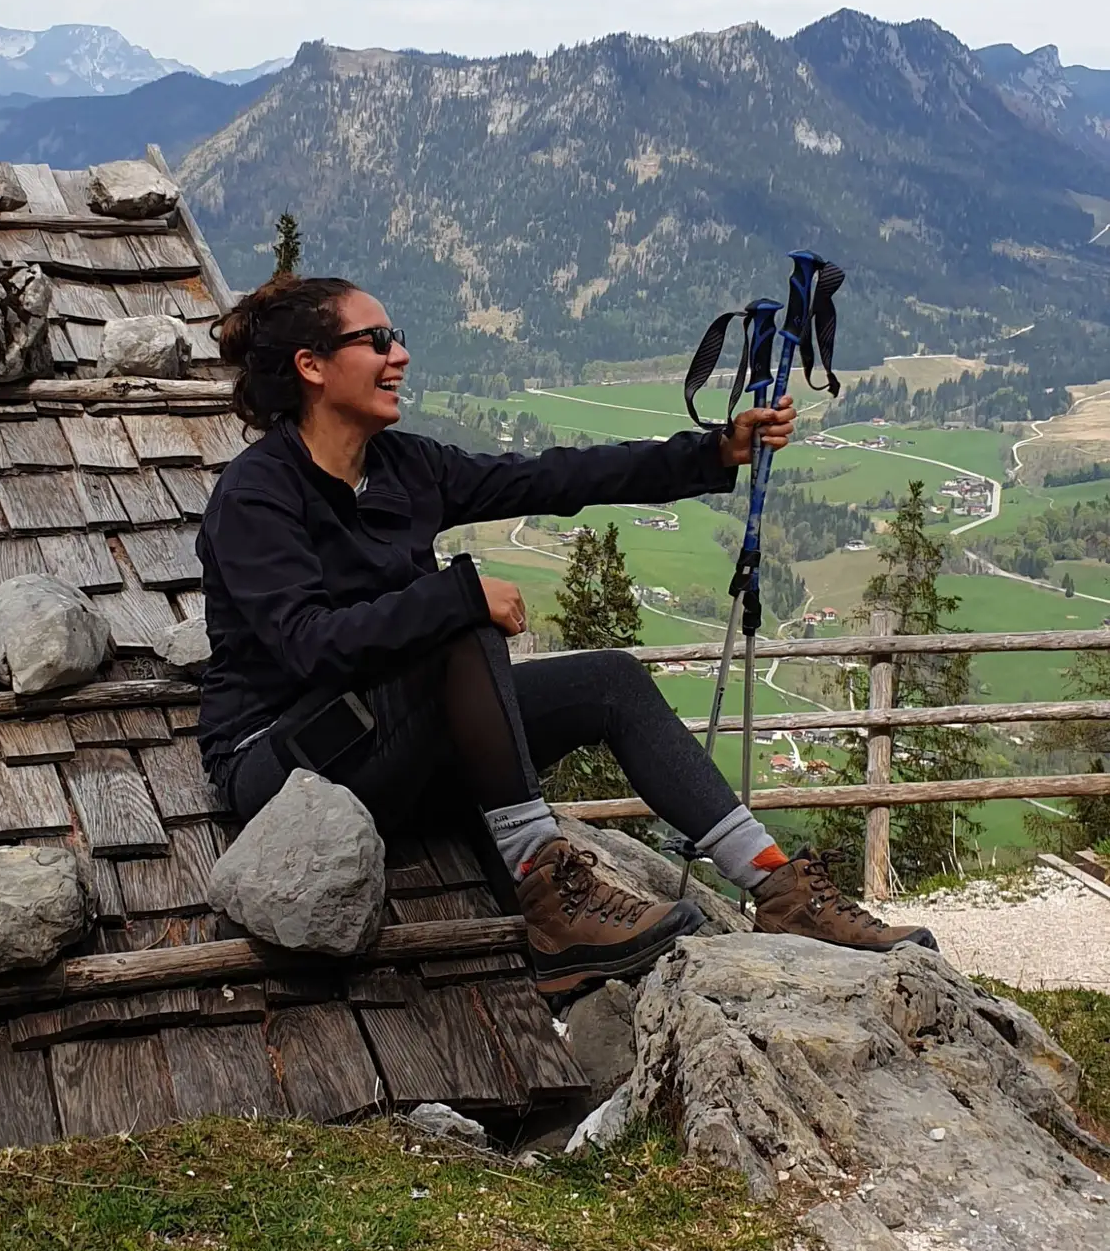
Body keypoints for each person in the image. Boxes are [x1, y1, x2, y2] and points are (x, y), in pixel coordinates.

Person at [197, 273, 935, 996]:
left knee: (605, 682)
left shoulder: (401, 466)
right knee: (457, 614)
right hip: (282, 765)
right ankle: (550, 899)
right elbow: (306, 643)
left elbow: (551, 478)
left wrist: (712, 453)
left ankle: (776, 887)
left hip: (385, 749)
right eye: (378, 340)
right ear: (312, 366)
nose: (401, 355)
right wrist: (454, 597)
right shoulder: (259, 493)